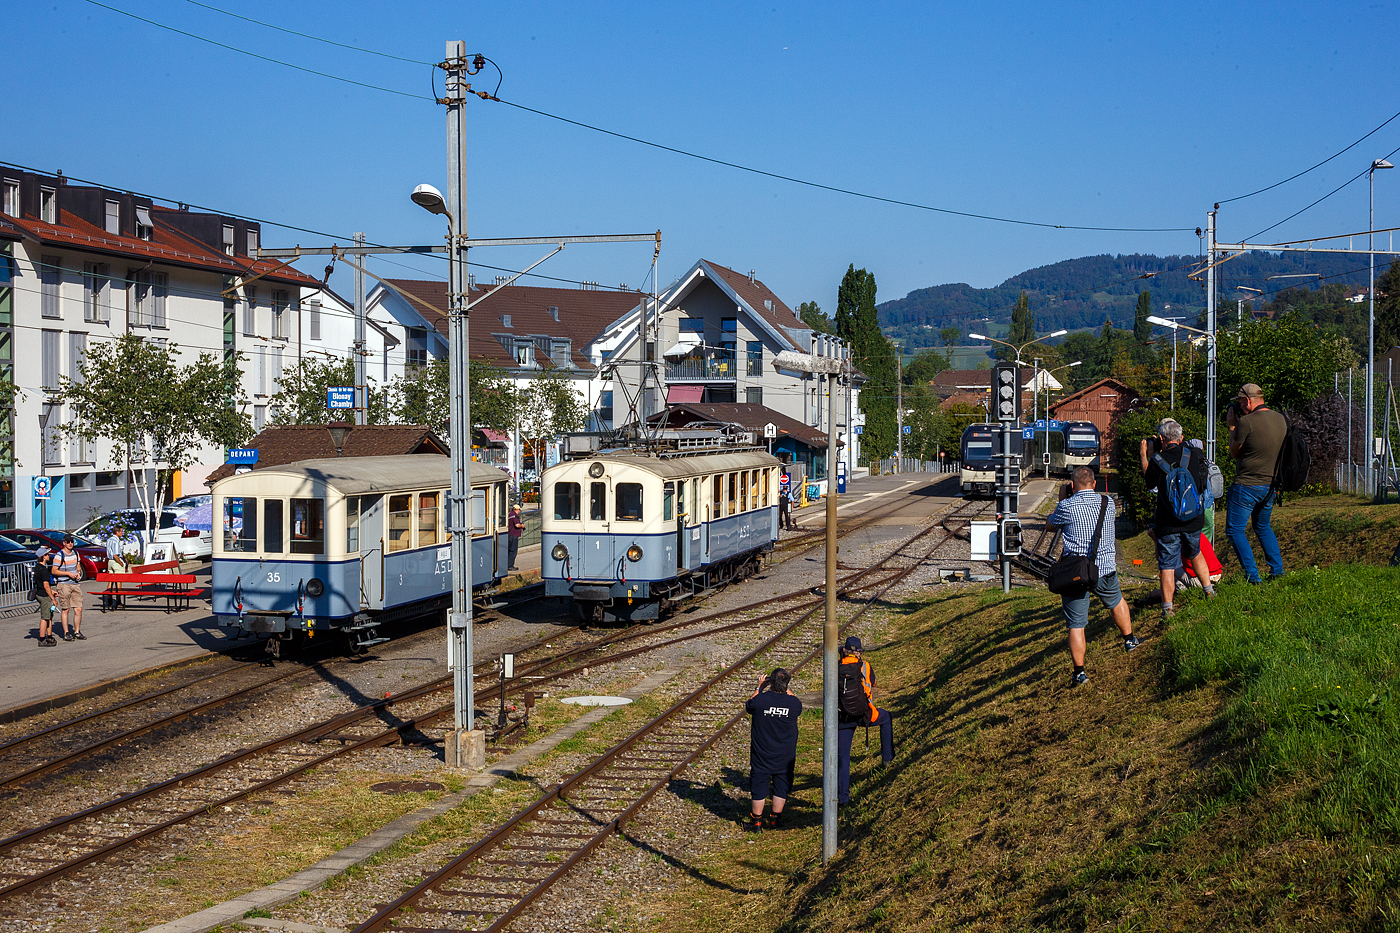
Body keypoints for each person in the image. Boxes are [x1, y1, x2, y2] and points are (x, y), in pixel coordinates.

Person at [1045, 466, 1139, 688]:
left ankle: (1080, 673)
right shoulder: (1108, 504)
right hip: (1105, 568)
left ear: (1072, 485)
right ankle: (1130, 640)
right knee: (1116, 601)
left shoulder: (1067, 506)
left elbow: (1050, 525)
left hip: (1076, 573)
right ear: (1094, 484)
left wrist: (1061, 498)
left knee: (1076, 624)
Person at [1140, 418, 1217, 618]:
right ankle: (1209, 591)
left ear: (1161, 439)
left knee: (1167, 565)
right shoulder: (1195, 454)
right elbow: (1201, 483)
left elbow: (1149, 485)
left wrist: (1145, 455)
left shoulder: (1157, 461)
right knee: (1195, 553)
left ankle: (1167, 609)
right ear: (1181, 438)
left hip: (1168, 523)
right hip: (1193, 519)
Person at [1226, 383, 1287, 583]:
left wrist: (1232, 427)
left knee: (1235, 530)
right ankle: (1277, 571)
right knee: (1262, 527)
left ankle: (1253, 576)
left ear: (1248, 400)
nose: (1240, 406)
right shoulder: (1281, 419)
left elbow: (1234, 452)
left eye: (1240, 402)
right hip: (1270, 485)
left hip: (1247, 484)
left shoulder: (1246, 422)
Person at [836, 636, 894, 805]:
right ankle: (887, 759)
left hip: (843, 717)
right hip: (865, 714)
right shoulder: (865, 666)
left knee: (843, 758)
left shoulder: (836, 667)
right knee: (886, 718)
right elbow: (873, 683)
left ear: (844, 650)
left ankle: (843, 799)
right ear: (859, 652)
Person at [743, 667, 802, 831]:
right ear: (786, 684)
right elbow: (795, 699)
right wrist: (784, 686)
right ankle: (775, 820)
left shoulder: (760, 700)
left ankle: (756, 823)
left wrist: (759, 687)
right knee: (781, 787)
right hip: (785, 754)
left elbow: (749, 705)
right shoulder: (793, 704)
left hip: (762, 753)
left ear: (771, 683)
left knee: (759, 787)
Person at [52, 535, 85, 641]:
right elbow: (54, 571)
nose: (71, 543)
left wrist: (78, 573)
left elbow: (78, 565)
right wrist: (67, 573)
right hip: (64, 584)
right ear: (64, 543)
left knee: (78, 609)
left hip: (75, 584)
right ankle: (66, 632)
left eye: (72, 541)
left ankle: (77, 631)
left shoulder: (76, 553)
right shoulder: (59, 555)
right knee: (65, 609)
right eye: (68, 542)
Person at [33, 547, 58, 647]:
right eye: (47, 554)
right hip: (44, 596)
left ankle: (49, 636)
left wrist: (52, 592)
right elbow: (46, 585)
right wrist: (53, 598)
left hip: (39, 593)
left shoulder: (37, 567)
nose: (49, 555)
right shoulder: (44, 570)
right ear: (43, 557)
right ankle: (42, 639)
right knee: (45, 617)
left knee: (49, 616)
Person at [507, 505, 524, 572]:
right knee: (513, 551)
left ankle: (507, 564)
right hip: (514, 535)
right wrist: (522, 526)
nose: (519, 511)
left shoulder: (509, 514)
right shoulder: (515, 516)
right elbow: (517, 525)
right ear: (517, 510)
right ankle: (510, 566)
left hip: (509, 534)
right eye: (519, 510)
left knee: (508, 550)